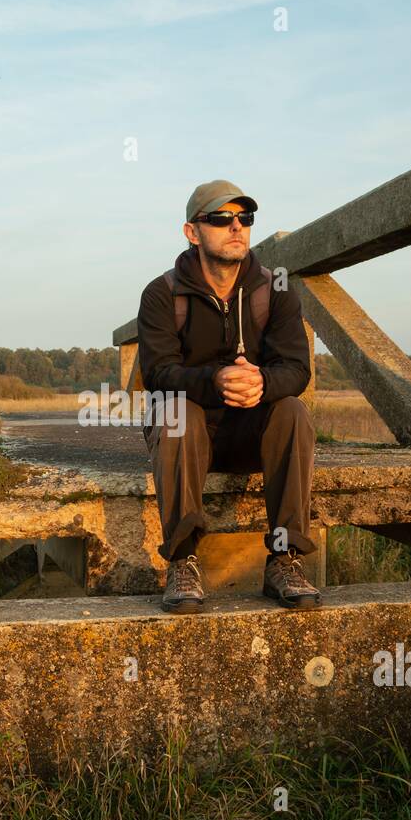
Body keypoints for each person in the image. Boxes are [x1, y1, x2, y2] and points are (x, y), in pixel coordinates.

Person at [137, 179, 321, 613]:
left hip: (250, 431)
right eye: (220, 218)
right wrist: (215, 381)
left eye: (245, 217)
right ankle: (182, 562)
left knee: (293, 409)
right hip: (187, 438)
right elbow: (158, 373)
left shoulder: (274, 290)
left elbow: (296, 368)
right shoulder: (163, 294)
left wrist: (262, 384)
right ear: (192, 232)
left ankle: (284, 559)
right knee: (177, 411)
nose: (236, 226)